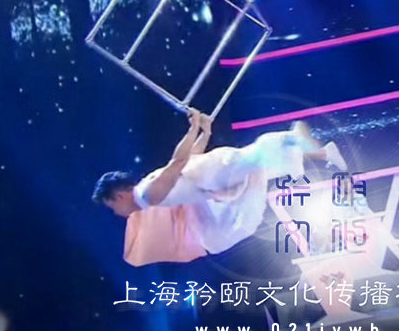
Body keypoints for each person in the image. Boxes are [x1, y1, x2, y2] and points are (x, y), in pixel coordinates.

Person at [92, 109, 347, 267]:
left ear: (119, 195)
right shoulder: (148, 188)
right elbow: (188, 161)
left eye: (112, 206)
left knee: (256, 160)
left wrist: (194, 127)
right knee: (260, 167)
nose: (117, 213)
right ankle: (323, 153)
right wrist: (204, 133)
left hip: (215, 174)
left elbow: (178, 162)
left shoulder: (147, 195)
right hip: (212, 177)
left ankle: (292, 138)